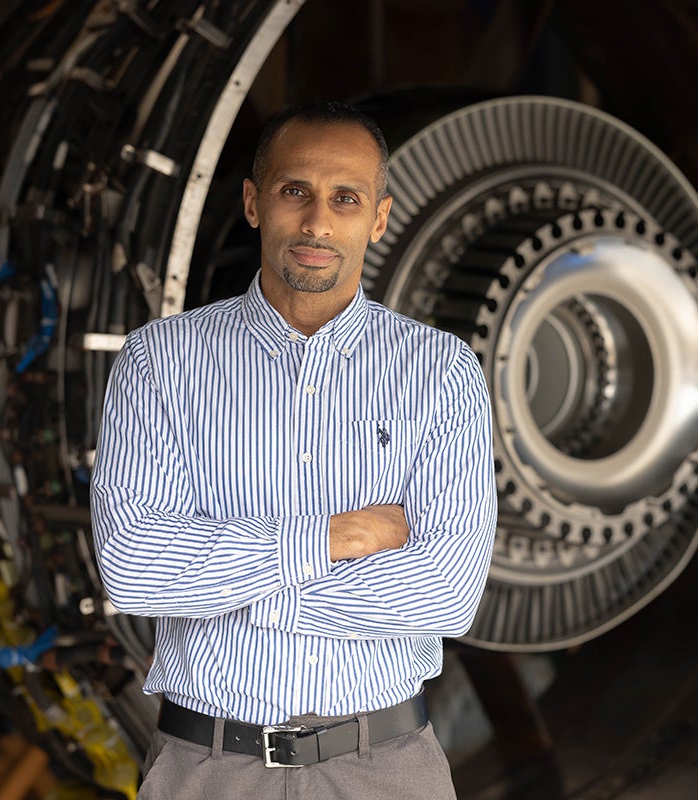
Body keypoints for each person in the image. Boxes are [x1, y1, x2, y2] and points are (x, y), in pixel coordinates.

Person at [90, 101, 498, 799]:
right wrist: (334, 537)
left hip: (385, 768)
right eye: (293, 191)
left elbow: (447, 594)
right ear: (254, 202)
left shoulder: (441, 372)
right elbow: (135, 573)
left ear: (377, 217)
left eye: (345, 198)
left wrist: (241, 588)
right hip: (207, 767)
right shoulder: (160, 363)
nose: (316, 222)